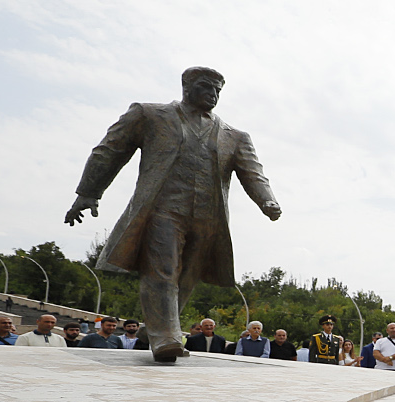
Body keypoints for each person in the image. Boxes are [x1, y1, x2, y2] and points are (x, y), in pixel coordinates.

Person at [65, 67, 281, 362]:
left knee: (187, 277)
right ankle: (165, 336)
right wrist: (88, 192)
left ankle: (154, 329)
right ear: (186, 86)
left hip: (207, 217)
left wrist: (267, 201)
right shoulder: (149, 115)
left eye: (218, 90)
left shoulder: (235, 136)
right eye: (206, 87)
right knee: (162, 270)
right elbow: (109, 151)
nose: (213, 95)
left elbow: (254, 174)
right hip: (162, 209)